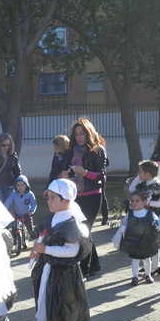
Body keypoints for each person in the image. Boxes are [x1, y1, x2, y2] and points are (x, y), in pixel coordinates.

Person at [30, 179, 93, 321]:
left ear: (66, 200)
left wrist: (46, 249)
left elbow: (72, 251)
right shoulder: (52, 219)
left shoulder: (72, 223)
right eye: (48, 197)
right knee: (47, 304)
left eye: (53, 198)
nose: (48, 201)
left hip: (63, 275)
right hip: (49, 271)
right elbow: (44, 239)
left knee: (60, 308)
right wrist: (37, 251)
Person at [66, 117, 108, 278]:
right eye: (76, 134)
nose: (79, 137)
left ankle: (85, 270)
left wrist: (84, 173)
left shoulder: (97, 150)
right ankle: (95, 264)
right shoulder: (72, 150)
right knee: (83, 231)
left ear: (88, 133)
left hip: (93, 195)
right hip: (76, 196)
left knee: (84, 232)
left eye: (82, 133)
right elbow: (68, 169)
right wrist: (64, 174)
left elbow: (101, 176)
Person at [127, 160, 160, 275]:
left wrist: (147, 203)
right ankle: (147, 264)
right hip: (142, 216)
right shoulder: (142, 184)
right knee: (143, 241)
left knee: (153, 242)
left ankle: (156, 266)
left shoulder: (157, 187)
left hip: (153, 217)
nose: (138, 174)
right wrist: (139, 177)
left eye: (140, 172)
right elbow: (131, 188)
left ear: (147, 174)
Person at [112, 190, 160, 286]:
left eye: (137, 201)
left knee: (146, 259)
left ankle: (148, 275)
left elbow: (157, 222)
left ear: (144, 202)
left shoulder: (149, 214)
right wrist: (122, 228)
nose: (134, 203)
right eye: (132, 201)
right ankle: (135, 276)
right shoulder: (130, 214)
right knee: (135, 259)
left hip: (146, 241)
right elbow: (124, 223)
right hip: (133, 241)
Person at [0, 133, 22, 202]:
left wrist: (20, 183)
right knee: (0, 205)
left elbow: (17, 171)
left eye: (8, 145)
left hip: (10, 185)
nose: (6, 147)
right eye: (3, 145)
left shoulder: (13, 155)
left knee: (8, 205)